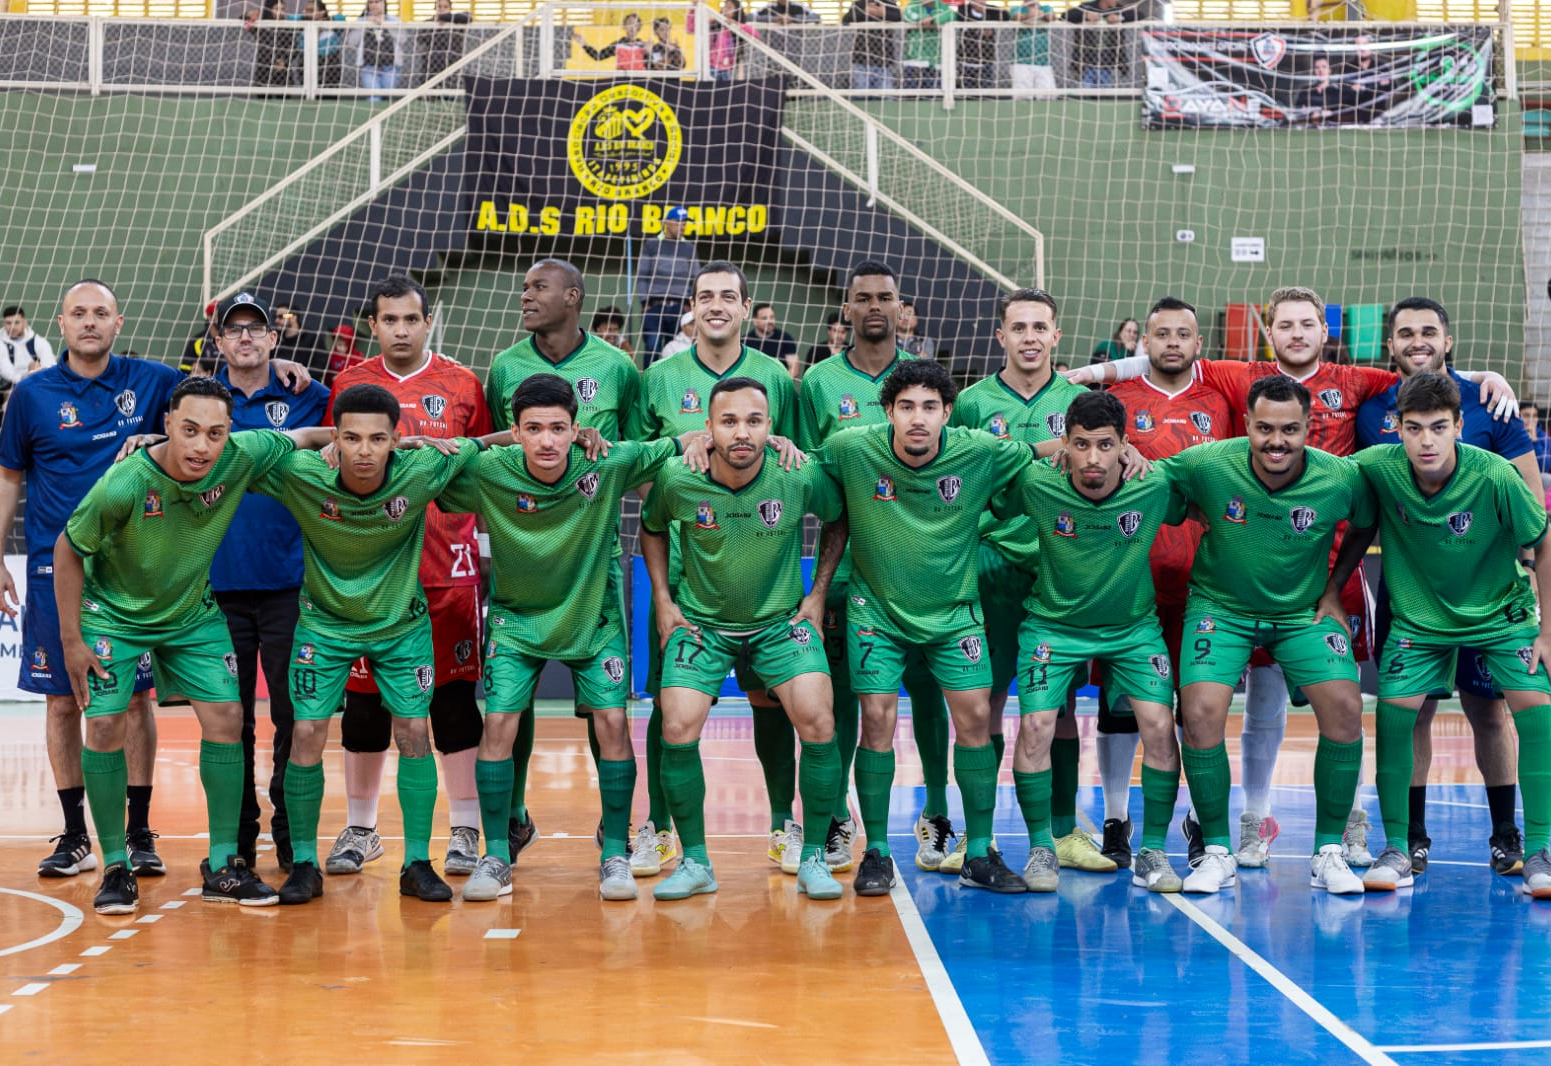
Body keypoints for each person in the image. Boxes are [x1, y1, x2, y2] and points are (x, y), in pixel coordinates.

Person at [1073, 286, 1518, 870]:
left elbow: (1428, 372)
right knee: (1212, 702)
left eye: (1308, 322)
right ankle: (1236, 824)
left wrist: (1490, 376)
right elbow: (1160, 356)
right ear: (1270, 334)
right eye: (1286, 323)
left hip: (1330, 575)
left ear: (1324, 331)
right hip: (1237, 565)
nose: (1298, 332)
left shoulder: (1355, 383)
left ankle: (1349, 823)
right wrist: (1080, 374)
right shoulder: (1241, 377)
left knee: (1344, 700)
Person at [54, 377, 330, 913]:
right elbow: (69, 547)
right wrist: (71, 642)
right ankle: (115, 866)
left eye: (215, 433)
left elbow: (300, 437)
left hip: (190, 614)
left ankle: (225, 865)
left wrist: (359, 438)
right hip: (114, 614)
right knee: (106, 723)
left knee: (228, 717)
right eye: (190, 431)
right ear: (168, 427)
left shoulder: (241, 454)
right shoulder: (126, 482)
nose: (202, 445)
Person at [437, 374, 680, 903]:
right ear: (515, 432)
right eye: (533, 429)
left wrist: (732, 437)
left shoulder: (607, 462)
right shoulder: (487, 470)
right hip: (516, 623)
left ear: (577, 429)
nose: (546, 440)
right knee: (498, 722)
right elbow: (424, 470)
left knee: (613, 722)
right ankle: (496, 854)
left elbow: (683, 441)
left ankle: (614, 851)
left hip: (593, 622)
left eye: (558, 428)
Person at [811, 358, 1037, 895]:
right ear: (887, 410)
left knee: (977, 719)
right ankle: (878, 854)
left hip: (955, 611)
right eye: (906, 407)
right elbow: (796, 464)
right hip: (876, 612)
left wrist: (1106, 449)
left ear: (947, 413)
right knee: (876, 722)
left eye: (930, 408)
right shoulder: (850, 448)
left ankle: (979, 852)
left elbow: (1041, 453)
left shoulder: (979, 450)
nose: (918, 418)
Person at [252, 383, 480, 906]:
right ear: (335, 438)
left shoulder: (421, 470)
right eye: (351, 438)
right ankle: (304, 864)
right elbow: (238, 449)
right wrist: (158, 438)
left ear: (396, 440)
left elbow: (491, 445)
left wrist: (574, 434)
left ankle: (416, 862)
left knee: (414, 732)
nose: (363, 451)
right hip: (324, 627)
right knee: (307, 731)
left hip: (401, 626)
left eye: (378, 439)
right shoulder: (302, 475)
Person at [1167, 375, 1378, 895]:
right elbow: (1153, 482)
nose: (1276, 441)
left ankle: (1328, 851)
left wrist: (1333, 590)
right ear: (1248, 425)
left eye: (1289, 429)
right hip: (1221, 607)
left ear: (1310, 428)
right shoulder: (1207, 463)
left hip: (1302, 612)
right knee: (1198, 713)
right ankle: (1217, 850)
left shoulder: (1340, 476)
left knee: (1347, 709)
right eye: (1264, 428)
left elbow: (1367, 522)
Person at [0, 279, 182, 880]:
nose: (89, 323)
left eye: (100, 313)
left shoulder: (153, 381)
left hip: (130, 568)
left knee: (134, 700)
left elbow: (217, 403)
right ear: (61, 322)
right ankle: (75, 833)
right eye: (78, 313)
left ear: (119, 322)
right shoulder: (30, 395)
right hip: (56, 570)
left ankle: (137, 831)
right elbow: (8, 479)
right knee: (60, 701)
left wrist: (282, 360)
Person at [1355, 297, 1543, 877]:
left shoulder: (1491, 403)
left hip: (1492, 597)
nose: (1417, 340)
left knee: (1493, 714)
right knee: (1406, 716)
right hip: (1412, 595)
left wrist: (1533, 594)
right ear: (1389, 345)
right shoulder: (1371, 410)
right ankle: (1406, 841)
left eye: (1429, 330)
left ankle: (1513, 839)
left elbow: (1534, 510)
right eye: (1405, 332)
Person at [627, 260, 800, 878]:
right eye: (707, 296)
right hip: (680, 575)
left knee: (770, 701)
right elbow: (635, 468)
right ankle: (660, 828)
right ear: (691, 308)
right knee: (669, 704)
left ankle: (785, 825)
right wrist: (684, 446)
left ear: (748, 308)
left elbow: (795, 456)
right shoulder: (659, 379)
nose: (718, 305)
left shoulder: (776, 378)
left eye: (730, 296)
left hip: (761, 571)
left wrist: (771, 443)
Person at [641, 377, 845, 901]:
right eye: (728, 421)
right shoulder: (678, 476)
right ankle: (696, 862)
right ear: (707, 427)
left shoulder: (796, 473)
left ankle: (815, 856)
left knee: (819, 719)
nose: (742, 432)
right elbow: (653, 526)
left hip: (779, 623)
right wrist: (662, 600)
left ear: (771, 427)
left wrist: (816, 596)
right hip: (702, 626)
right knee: (678, 721)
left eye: (754, 421)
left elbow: (839, 519)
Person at [322, 275, 493, 881]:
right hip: (372, 573)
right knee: (365, 706)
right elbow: (327, 461)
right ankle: (363, 829)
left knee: (451, 703)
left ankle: (467, 829)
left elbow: (490, 458)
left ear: (428, 322)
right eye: (388, 320)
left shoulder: (464, 383)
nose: (400, 329)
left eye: (410, 320)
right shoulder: (347, 385)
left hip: (448, 571)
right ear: (373, 325)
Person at [950, 288, 1120, 877]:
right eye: (1017, 327)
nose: (1028, 337)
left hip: (1060, 568)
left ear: (1056, 335)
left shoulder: (1082, 401)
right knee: (985, 703)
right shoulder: (970, 403)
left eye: (1039, 327)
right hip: (991, 566)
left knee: (1060, 705)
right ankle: (980, 837)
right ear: (1000, 337)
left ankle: (1062, 831)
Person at [992, 390, 1187, 893]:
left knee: (1160, 728)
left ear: (1125, 445)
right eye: (1080, 445)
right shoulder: (1038, 482)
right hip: (1053, 625)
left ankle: (1153, 852)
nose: (1093, 458)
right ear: (1065, 444)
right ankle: (1041, 848)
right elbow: (988, 481)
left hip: (1132, 628)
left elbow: (1202, 495)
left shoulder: (1155, 484)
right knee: (1035, 725)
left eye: (1105, 445)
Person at [793, 261, 953, 875]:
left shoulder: (925, 381)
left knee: (930, 697)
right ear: (847, 311)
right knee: (852, 701)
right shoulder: (819, 384)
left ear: (902, 307)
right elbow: (814, 480)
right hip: (849, 572)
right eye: (862, 299)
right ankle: (836, 818)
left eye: (886, 296)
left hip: (924, 573)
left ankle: (936, 813)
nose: (875, 307)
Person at [483, 259, 640, 863]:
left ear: (573, 297)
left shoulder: (618, 366)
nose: (524, 295)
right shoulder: (504, 366)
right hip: (524, 558)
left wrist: (597, 444)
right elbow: (503, 449)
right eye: (523, 286)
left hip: (593, 564)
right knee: (507, 708)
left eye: (537, 288)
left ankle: (616, 831)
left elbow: (634, 450)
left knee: (606, 713)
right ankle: (512, 818)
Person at [1100, 297, 1231, 867]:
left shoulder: (1223, 399)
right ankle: (1115, 818)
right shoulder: (1119, 401)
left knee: (1200, 710)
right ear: (1143, 343)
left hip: (1210, 584)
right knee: (1122, 708)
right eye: (1161, 334)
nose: (1172, 342)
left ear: (1199, 344)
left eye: (1184, 334)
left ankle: (1201, 822)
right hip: (1131, 581)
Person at [208, 292, 331, 875]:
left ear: (274, 339)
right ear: (219, 343)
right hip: (218, 588)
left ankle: (289, 833)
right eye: (234, 331)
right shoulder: (201, 400)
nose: (246, 338)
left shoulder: (306, 395)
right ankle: (236, 839)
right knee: (230, 719)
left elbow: (351, 427)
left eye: (256, 329)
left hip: (291, 585)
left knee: (292, 715)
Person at [635, 206, 700, 363]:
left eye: (685, 223)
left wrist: (690, 304)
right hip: (655, 307)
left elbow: (696, 278)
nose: (682, 226)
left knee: (679, 349)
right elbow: (642, 276)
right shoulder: (651, 244)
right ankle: (648, 382)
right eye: (678, 222)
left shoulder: (689, 248)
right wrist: (645, 302)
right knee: (652, 346)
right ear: (667, 222)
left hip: (680, 308)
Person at [1063, 0, 1137, 89]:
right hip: (1086, 62)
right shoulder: (1087, 7)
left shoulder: (1119, 9)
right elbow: (1065, 15)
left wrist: (1120, 18)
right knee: (1083, 95)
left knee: (1105, 95)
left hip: (1108, 62)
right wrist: (1086, 16)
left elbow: (1139, 15)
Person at [842, 0, 902, 93]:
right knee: (860, 94)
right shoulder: (859, 4)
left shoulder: (889, 3)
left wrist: (882, 13)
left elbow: (899, 17)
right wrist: (865, 11)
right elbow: (846, 19)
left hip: (884, 61)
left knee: (886, 96)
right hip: (860, 59)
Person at [354, 0, 404, 101]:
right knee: (374, 98)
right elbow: (352, 41)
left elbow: (403, 39)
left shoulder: (394, 20)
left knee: (388, 97)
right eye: (371, 2)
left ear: (384, 3)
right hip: (368, 67)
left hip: (391, 66)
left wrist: (385, 24)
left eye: (377, 2)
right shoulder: (360, 21)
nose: (374, 5)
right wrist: (366, 24)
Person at [957, 0, 1010, 91]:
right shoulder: (963, 10)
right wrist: (981, 27)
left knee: (985, 93)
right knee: (966, 93)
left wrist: (989, 26)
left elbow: (1006, 16)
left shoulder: (992, 10)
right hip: (966, 61)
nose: (981, 3)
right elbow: (962, 18)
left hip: (986, 61)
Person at [247, 0, 298, 89]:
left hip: (282, 73)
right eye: (276, 9)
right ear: (269, 9)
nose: (280, 12)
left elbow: (294, 48)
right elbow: (246, 24)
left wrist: (284, 61)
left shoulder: (288, 28)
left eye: (282, 9)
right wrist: (248, 15)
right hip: (263, 72)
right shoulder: (261, 27)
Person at [902, 0, 951, 92]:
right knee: (911, 96)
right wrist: (923, 19)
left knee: (935, 97)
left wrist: (933, 20)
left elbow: (951, 15)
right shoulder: (912, 5)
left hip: (936, 61)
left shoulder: (943, 6)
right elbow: (909, 16)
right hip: (915, 60)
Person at [1011, 0, 1056, 97]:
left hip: (1043, 61)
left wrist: (1042, 15)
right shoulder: (1017, 9)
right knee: (1022, 98)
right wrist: (1030, 16)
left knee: (1047, 97)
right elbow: (1016, 17)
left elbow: (1051, 17)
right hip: (1021, 61)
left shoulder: (1046, 8)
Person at [573, 12, 648, 70]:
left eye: (635, 24)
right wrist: (583, 44)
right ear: (624, 26)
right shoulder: (618, 44)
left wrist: (649, 52)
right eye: (629, 24)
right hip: (622, 80)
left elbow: (651, 65)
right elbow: (598, 56)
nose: (632, 27)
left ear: (639, 26)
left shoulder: (644, 45)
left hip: (640, 79)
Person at [703, 0, 756, 82]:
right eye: (724, 6)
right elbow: (691, 28)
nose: (726, 9)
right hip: (711, 68)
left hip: (729, 70)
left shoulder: (738, 28)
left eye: (729, 7)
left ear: (737, 11)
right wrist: (693, 9)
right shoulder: (714, 24)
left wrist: (736, 24)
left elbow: (755, 35)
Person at [746, 302, 799, 377]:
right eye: (764, 318)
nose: (770, 321)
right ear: (755, 321)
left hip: (778, 383)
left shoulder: (785, 338)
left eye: (772, 317)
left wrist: (781, 384)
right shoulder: (745, 340)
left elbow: (794, 368)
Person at [302, 0, 347, 89]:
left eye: (311, 11)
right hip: (307, 71)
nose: (308, 14)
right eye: (306, 11)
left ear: (321, 13)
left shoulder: (332, 31)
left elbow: (341, 18)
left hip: (329, 70)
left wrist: (325, 19)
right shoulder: (302, 32)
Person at [424, 0, 471, 78]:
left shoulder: (457, 21)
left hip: (452, 64)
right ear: (435, 8)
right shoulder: (428, 23)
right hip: (431, 64)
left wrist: (444, 18)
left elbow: (468, 17)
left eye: (445, 7)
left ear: (450, 8)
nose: (442, 9)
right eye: (439, 6)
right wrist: (436, 22)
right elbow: (422, 39)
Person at [1298, 56, 1350, 124]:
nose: (1320, 70)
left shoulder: (1338, 91)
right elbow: (1298, 112)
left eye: (1324, 67)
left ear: (1329, 70)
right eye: (1317, 67)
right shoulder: (1305, 91)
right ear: (1314, 71)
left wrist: (1330, 114)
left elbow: (1346, 114)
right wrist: (1311, 115)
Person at [271, 303, 321, 372]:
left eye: (281, 317)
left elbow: (320, 366)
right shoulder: (274, 339)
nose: (276, 320)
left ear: (293, 317)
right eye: (275, 317)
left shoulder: (312, 338)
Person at [181, 301, 219, 374]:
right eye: (218, 313)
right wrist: (194, 368)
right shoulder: (197, 341)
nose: (222, 317)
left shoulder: (231, 338)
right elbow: (184, 367)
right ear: (209, 317)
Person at [1521, 400, 1551, 485]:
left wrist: (1534, 441)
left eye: (1534, 416)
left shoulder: (1544, 437)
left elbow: (1544, 468)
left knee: (1547, 479)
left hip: (1536, 479)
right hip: (1516, 476)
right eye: (1526, 415)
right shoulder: (1510, 433)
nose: (1531, 420)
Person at [753, 0, 821, 24]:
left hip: (795, 48)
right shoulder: (769, 7)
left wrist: (793, 19)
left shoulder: (799, 7)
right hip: (772, 48)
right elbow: (749, 17)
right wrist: (774, 19)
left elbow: (816, 17)